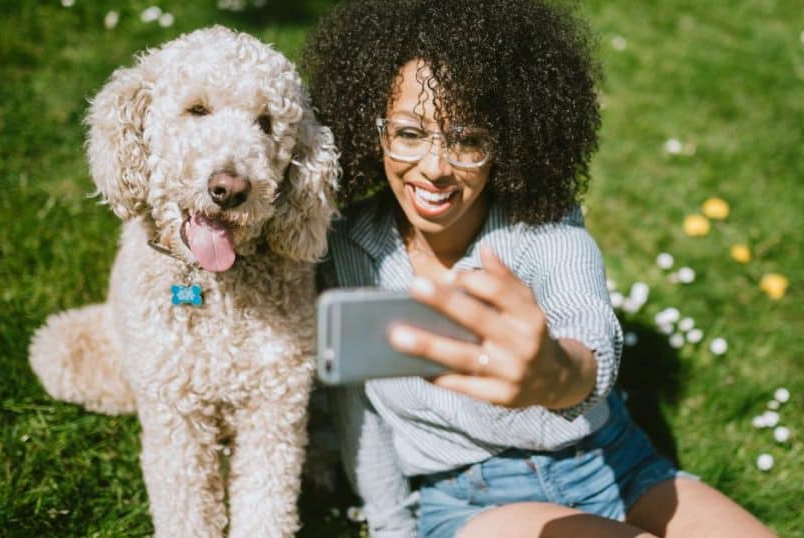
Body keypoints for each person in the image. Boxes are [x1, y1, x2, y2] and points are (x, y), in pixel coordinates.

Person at [303, 1, 776, 536]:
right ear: (374, 129)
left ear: (507, 139)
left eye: (467, 140)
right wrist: (392, 528)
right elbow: (358, 412)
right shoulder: (344, 248)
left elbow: (590, 338)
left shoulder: (544, 231)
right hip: (473, 502)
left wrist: (553, 375)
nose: (435, 168)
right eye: (409, 133)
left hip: (615, 462)